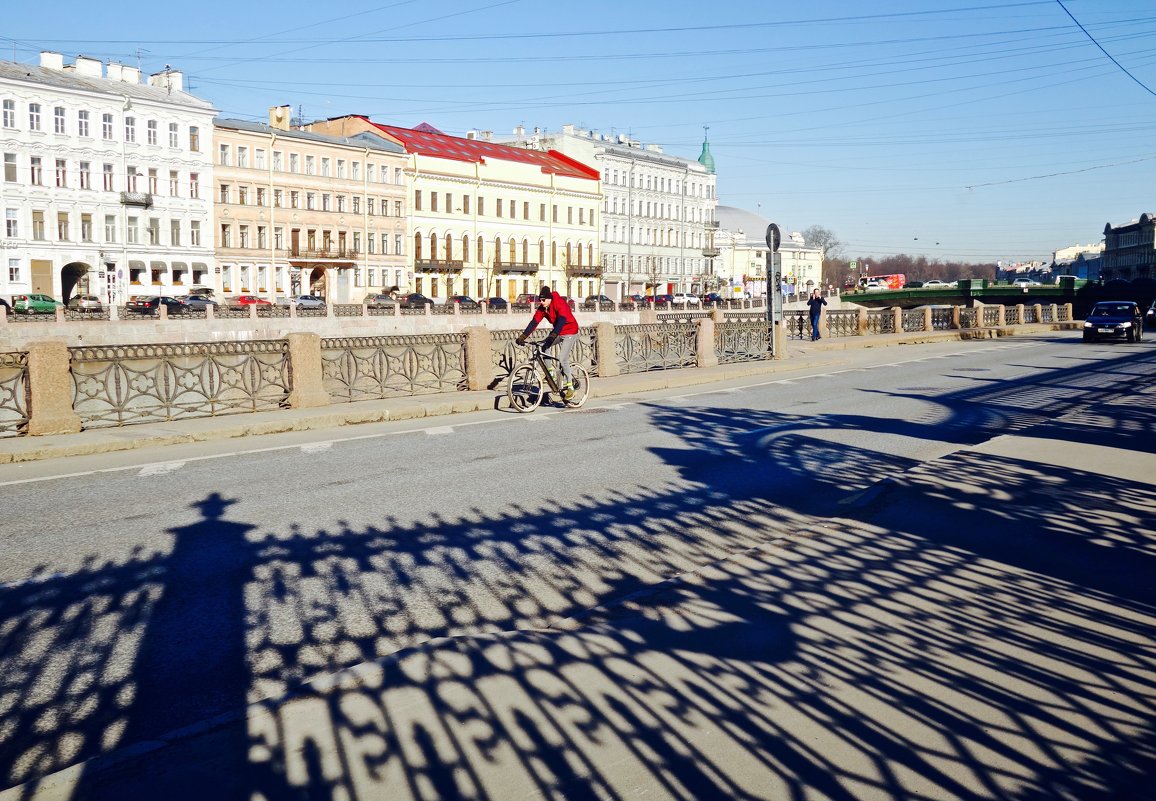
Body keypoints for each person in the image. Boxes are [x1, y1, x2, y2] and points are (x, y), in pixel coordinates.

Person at [515, 286, 580, 400]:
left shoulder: (559, 303)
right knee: (544, 346)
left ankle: (571, 388)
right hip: (559, 332)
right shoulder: (543, 308)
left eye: (543, 300)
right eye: (540, 300)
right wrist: (523, 336)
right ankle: (551, 375)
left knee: (562, 358)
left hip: (570, 331)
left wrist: (553, 335)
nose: (541, 302)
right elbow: (534, 322)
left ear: (549, 299)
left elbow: (561, 320)